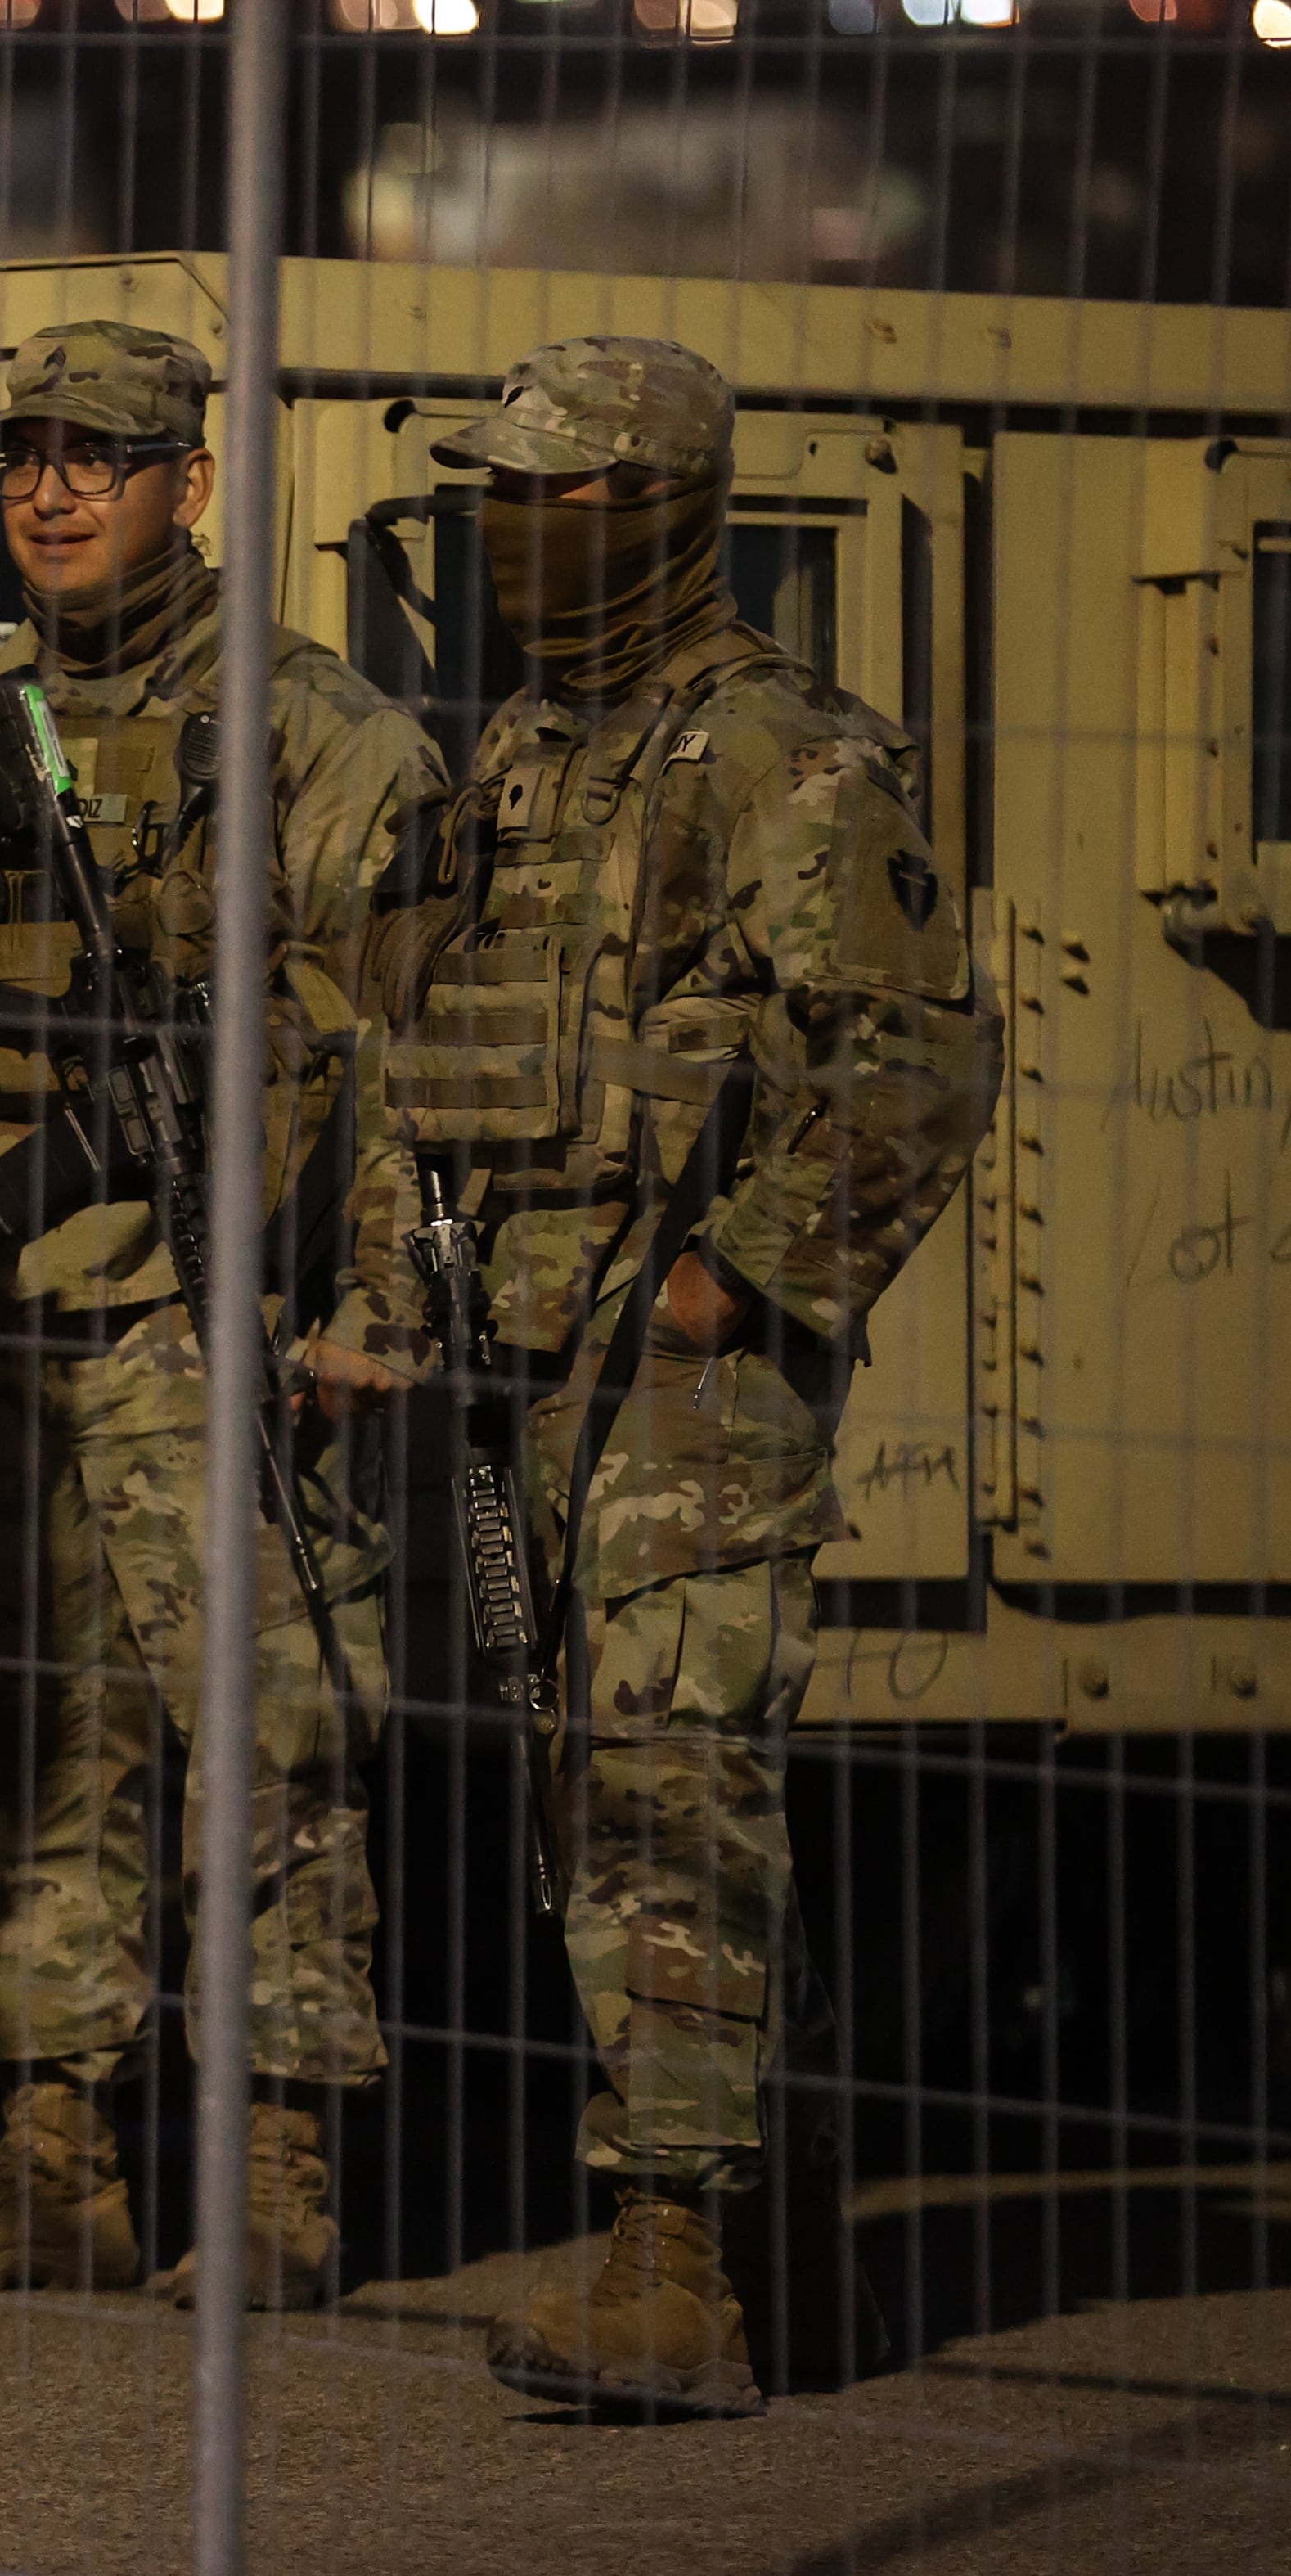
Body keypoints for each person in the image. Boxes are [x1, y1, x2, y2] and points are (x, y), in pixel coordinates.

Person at [312, 336, 992, 2415]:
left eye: (547, 490)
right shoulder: (524, 747)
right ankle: (772, 2233)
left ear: (655, 505)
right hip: (531, 1356)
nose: (504, 531)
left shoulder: (782, 752)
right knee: (597, 1779)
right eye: (494, 489)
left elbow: (915, 1062)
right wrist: (385, 1302)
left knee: (664, 1778)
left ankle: (674, 2258)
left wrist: (735, 1277)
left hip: (686, 1380)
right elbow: (420, 1058)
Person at [0, 322, 443, 2308]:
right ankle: (58, 2150)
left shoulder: (316, 733)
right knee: (40, 1753)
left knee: (267, 1747)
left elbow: (410, 1051)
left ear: (187, 486)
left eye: (94, 458)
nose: (48, 490)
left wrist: (370, 1308)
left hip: (222, 1321)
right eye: (20, 454)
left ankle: (277, 2173)